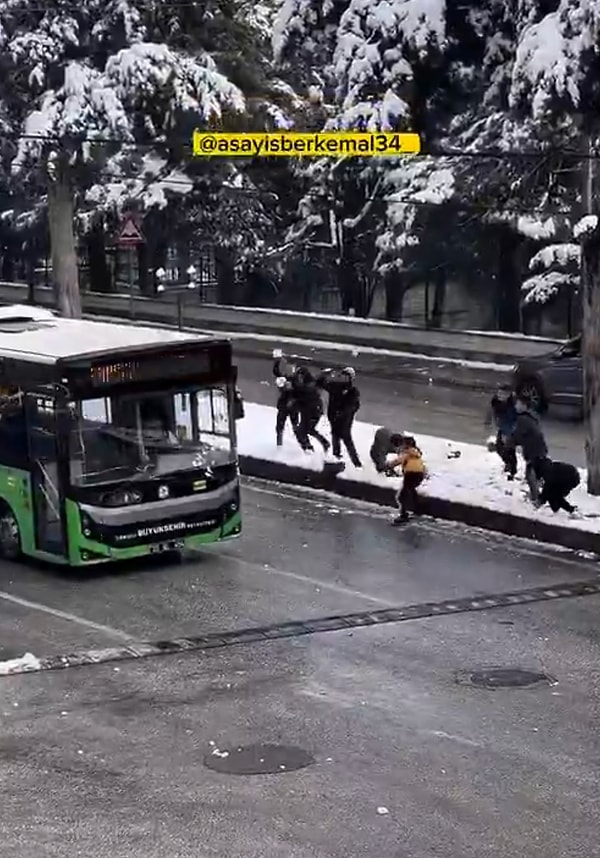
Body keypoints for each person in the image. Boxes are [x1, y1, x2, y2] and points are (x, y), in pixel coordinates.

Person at [507, 395, 548, 503]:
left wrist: (509, 443)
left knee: (530, 475)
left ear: (524, 406)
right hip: (540, 449)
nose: (516, 406)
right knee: (535, 473)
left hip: (533, 451)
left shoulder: (523, 419)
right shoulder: (531, 416)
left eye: (518, 404)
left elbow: (517, 435)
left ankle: (536, 498)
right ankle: (537, 495)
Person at [317, 366, 361, 467]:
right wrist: (323, 375)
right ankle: (337, 457)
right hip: (334, 417)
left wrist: (342, 413)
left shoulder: (353, 391)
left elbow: (353, 406)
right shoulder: (335, 386)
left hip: (345, 420)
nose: (344, 378)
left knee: (346, 439)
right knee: (335, 436)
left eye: (347, 376)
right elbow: (320, 384)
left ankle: (357, 464)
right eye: (343, 375)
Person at [484, 383, 518, 479]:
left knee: (510, 450)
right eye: (499, 393)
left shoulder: (513, 405)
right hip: (502, 427)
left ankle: (512, 470)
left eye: (503, 394)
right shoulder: (495, 400)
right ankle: (508, 464)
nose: (500, 396)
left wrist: (508, 434)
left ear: (508, 394)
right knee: (500, 448)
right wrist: (488, 421)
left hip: (512, 430)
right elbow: (491, 410)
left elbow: (515, 420)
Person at [293, 365, 330, 453]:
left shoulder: (307, 386)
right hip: (309, 411)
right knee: (307, 430)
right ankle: (320, 444)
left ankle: (308, 447)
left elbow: (303, 394)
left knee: (302, 430)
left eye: (300, 375)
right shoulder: (308, 384)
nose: (299, 377)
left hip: (312, 411)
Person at [392, 436, 427, 524]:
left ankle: (403, 515)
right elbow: (422, 466)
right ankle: (418, 509)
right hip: (419, 474)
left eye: (403, 444)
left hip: (410, 474)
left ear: (406, 445)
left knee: (401, 496)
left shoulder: (406, 453)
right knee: (411, 490)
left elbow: (397, 461)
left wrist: (387, 466)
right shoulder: (416, 453)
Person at [272, 349, 300, 446]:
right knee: (281, 426)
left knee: (295, 426)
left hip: (291, 406)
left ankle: (303, 443)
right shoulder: (286, 378)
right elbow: (276, 372)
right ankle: (280, 443)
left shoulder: (296, 380)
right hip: (286, 405)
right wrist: (277, 361)